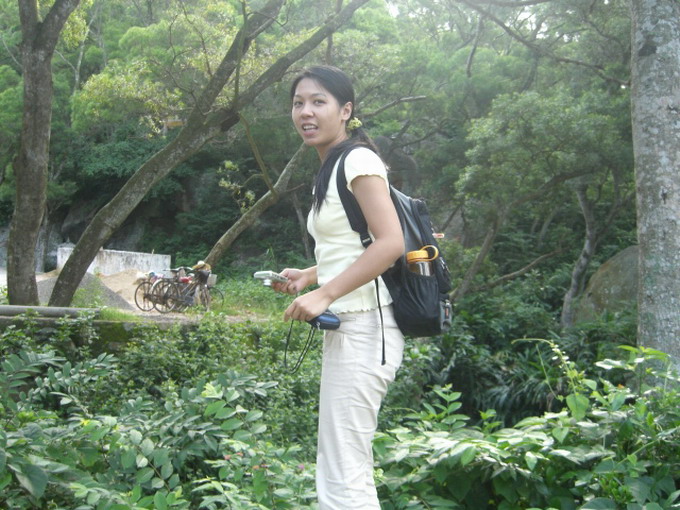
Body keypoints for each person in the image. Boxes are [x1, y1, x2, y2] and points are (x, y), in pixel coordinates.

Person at [272, 65, 405, 509]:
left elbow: (390, 243)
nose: (305, 112)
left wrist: (325, 293)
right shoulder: (330, 166)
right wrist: (310, 276)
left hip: (366, 328)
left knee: (343, 472)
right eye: (298, 103)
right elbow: (353, 244)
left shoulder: (357, 161)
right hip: (350, 328)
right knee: (341, 466)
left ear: (345, 110)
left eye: (318, 102)